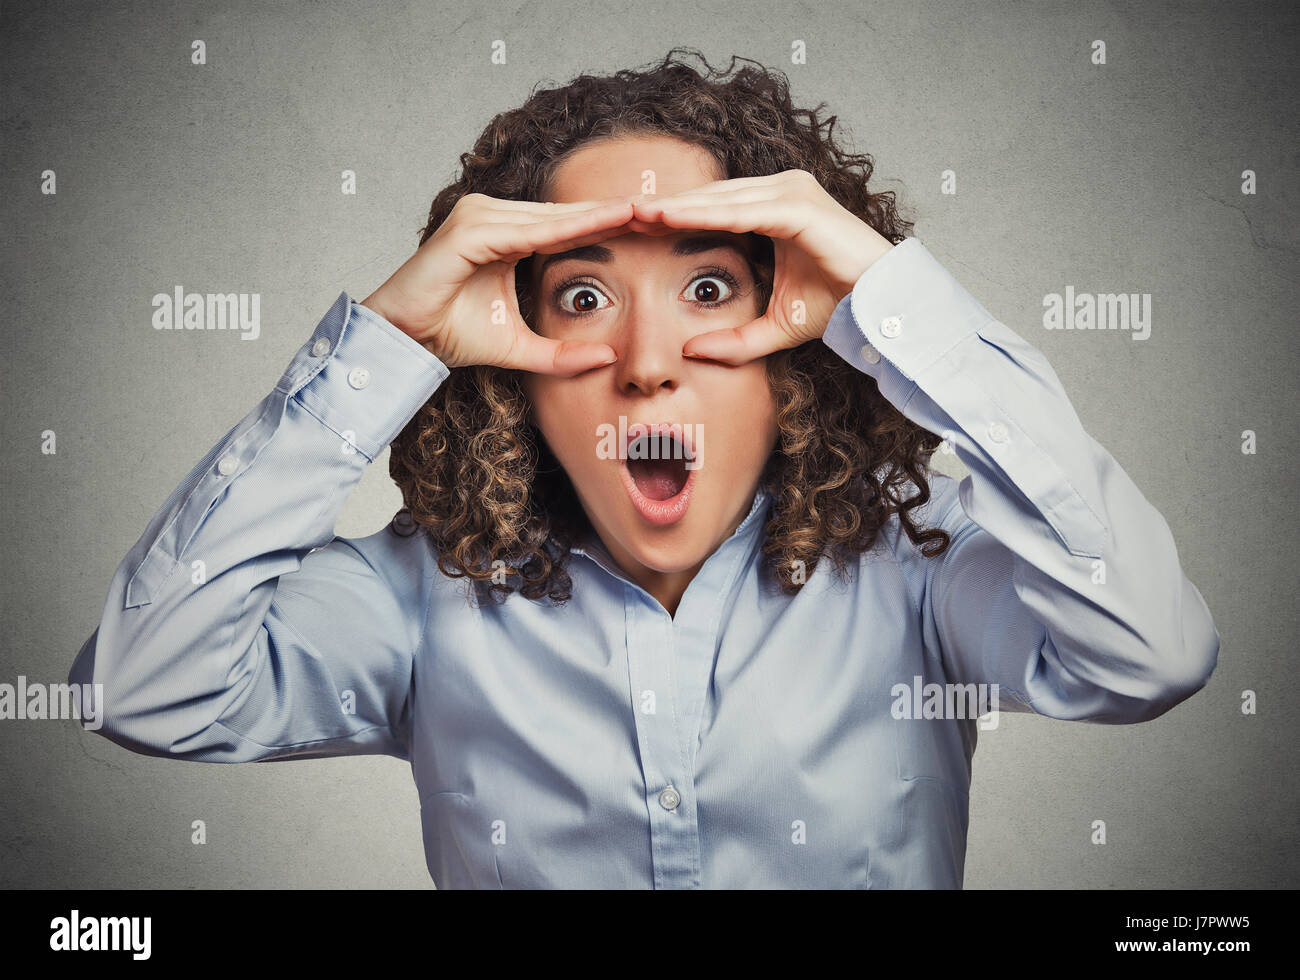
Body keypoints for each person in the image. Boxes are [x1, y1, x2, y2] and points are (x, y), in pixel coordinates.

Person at [69, 49, 1219, 888]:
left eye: (709, 288)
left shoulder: (919, 572)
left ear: (798, 333)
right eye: (583, 296)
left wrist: (899, 311)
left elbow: (1149, 653)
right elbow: (140, 688)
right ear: (514, 358)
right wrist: (383, 349)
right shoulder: (417, 598)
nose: (647, 361)